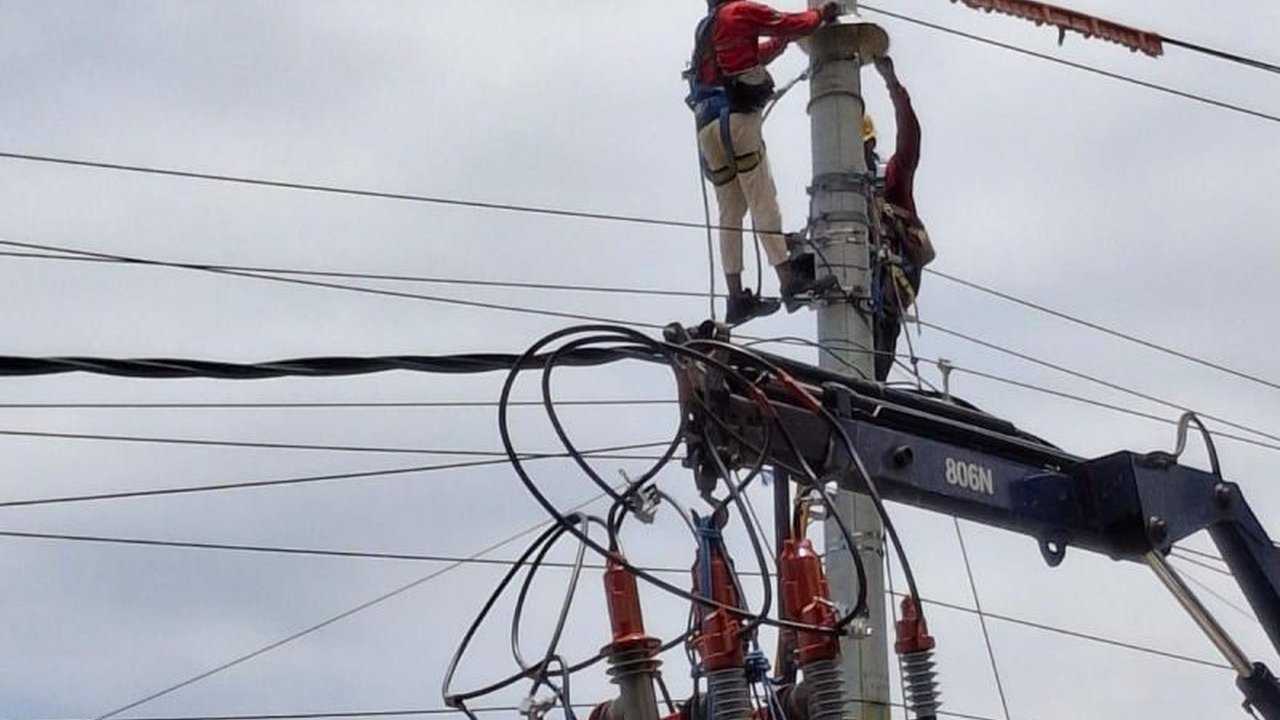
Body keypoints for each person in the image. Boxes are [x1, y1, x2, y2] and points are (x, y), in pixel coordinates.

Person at [688, 0, 842, 325]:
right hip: (737, 120)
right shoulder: (740, 11)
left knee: (731, 212)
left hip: (706, 128)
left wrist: (780, 45)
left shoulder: (707, 28)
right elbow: (788, 21)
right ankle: (789, 282)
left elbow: (745, 58)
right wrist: (820, 15)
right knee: (762, 201)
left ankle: (736, 297)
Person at [866, 55, 935, 381]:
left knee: (872, 376)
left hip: (885, 303)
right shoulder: (833, 197)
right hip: (853, 298)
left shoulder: (889, 183)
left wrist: (894, 86)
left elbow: (910, 141)